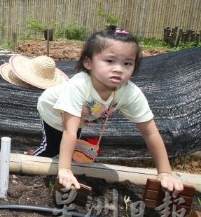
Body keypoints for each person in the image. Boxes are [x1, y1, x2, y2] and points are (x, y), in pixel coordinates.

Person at [31, 28, 183, 195]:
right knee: (51, 147)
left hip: (81, 117)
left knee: (68, 146)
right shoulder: (79, 85)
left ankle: (59, 162)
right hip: (53, 112)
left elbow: (150, 133)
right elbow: (69, 130)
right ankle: (29, 162)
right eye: (110, 61)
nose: (118, 69)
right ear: (88, 62)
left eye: (127, 63)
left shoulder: (130, 92)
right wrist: (65, 170)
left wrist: (165, 173)